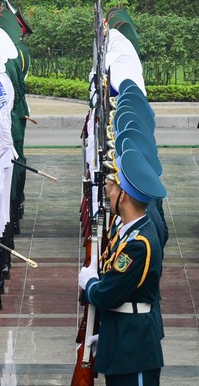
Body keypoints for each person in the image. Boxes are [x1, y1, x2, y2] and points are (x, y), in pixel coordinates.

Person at [79, 148, 166, 385]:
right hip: (121, 339)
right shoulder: (130, 233)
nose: (108, 192)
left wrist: (89, 284)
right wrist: (107, 336)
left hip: (133, 349)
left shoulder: (138, 243)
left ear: (124, 195)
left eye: (113, 186)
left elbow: (107, 293)